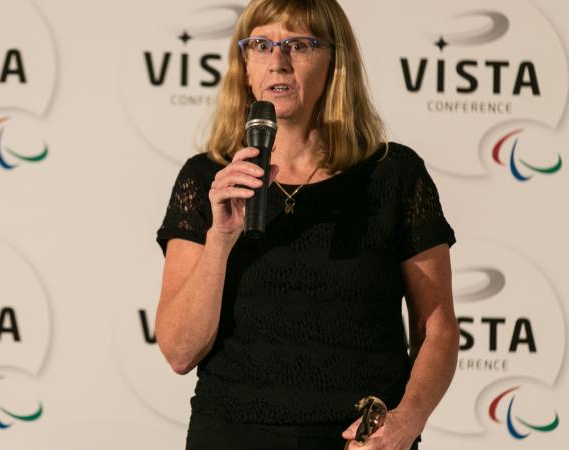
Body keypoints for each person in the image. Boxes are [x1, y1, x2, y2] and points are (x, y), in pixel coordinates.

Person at [154, 0, 459, 449]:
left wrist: (407, 421)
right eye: (261, 45)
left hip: (358, 440)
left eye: (298, 44)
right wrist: (221, 237)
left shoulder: (394, 175)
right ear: (245, 66)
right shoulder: (207, 180)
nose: (277, 61)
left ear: (334, 60)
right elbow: (180, 352)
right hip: (232, 434)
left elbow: (438, 329)